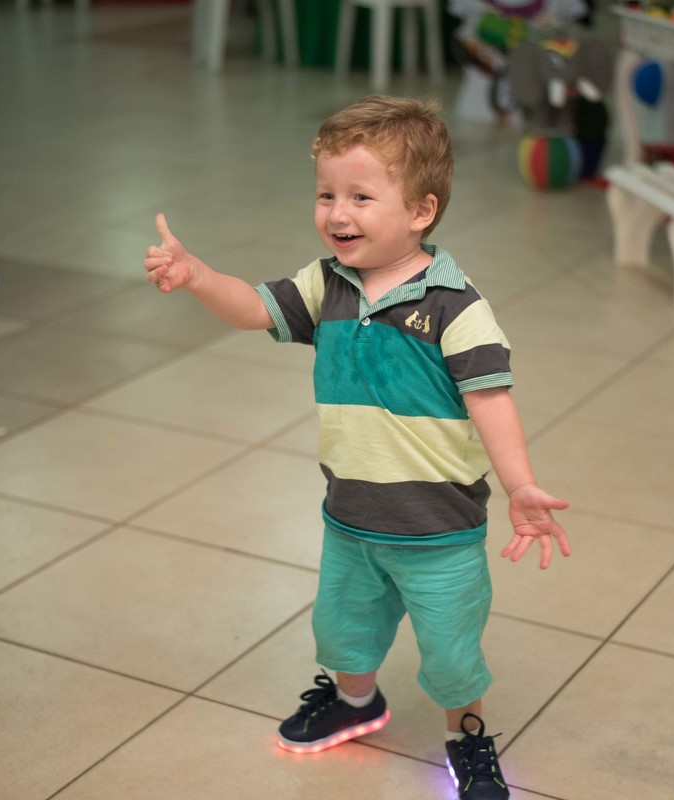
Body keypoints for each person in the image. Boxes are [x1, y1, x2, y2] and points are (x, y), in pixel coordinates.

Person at [143, 95, 570, 800]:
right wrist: (197, 276)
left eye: (361, 197)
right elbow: (256, 307)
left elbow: (491, 399)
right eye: (327, 194)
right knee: (344, 628)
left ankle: (467, 737)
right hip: (350, 519)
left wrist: (521, 483)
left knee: (451, 655)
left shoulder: (456, 306)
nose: (338, 213)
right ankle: (356, 702)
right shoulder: (327, 284)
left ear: (421, 211)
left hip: (439, 531)